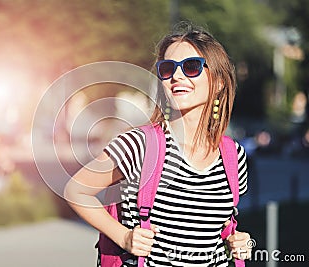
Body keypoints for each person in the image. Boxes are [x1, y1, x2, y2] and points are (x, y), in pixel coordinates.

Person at [65, 22, 251, 266]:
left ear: (218, 83)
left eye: (192, 66)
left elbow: (213, 224)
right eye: (167, 68)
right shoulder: (139, 145)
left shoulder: (233, 156)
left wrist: (239, 241)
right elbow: (75, 190)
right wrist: (125, 237)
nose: (177, 75)